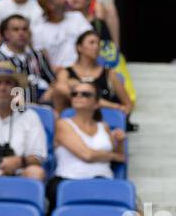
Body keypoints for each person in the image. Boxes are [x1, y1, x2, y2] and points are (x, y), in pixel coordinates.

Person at [49, 79, 125, 208]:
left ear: (96, 103)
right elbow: (87, 155)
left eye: (85, 94)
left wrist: (120, 142)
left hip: (102, 180)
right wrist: (111, 156)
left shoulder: (104, 126)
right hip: (68, 180)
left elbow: (121, 157)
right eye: (75, 94)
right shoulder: (63, 124)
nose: (78, 96)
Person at [0, 15, 62, 108]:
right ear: (6, 33)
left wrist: (49, 92)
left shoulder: (37, 55)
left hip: (36, 109)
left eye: (25, 29)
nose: (21, 33)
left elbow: (52, 81)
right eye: (16, 29)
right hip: (7, 109)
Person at [57, 30, 134, 119]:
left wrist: (119, 118)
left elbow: (128, 104)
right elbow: (58, 92)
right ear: (79, 47)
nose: (96, 47)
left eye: (98, 44)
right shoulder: (65, 72)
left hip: (105, 121)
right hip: (74, 121)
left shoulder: (109, 73)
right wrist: (111, 105)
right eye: (92, 43)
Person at [32, 0, 91, 71]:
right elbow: (41, 60)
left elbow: (90, 41)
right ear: (51, 6)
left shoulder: (78, 17)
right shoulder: (38, 31)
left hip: (83, 71)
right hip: (55, 76)